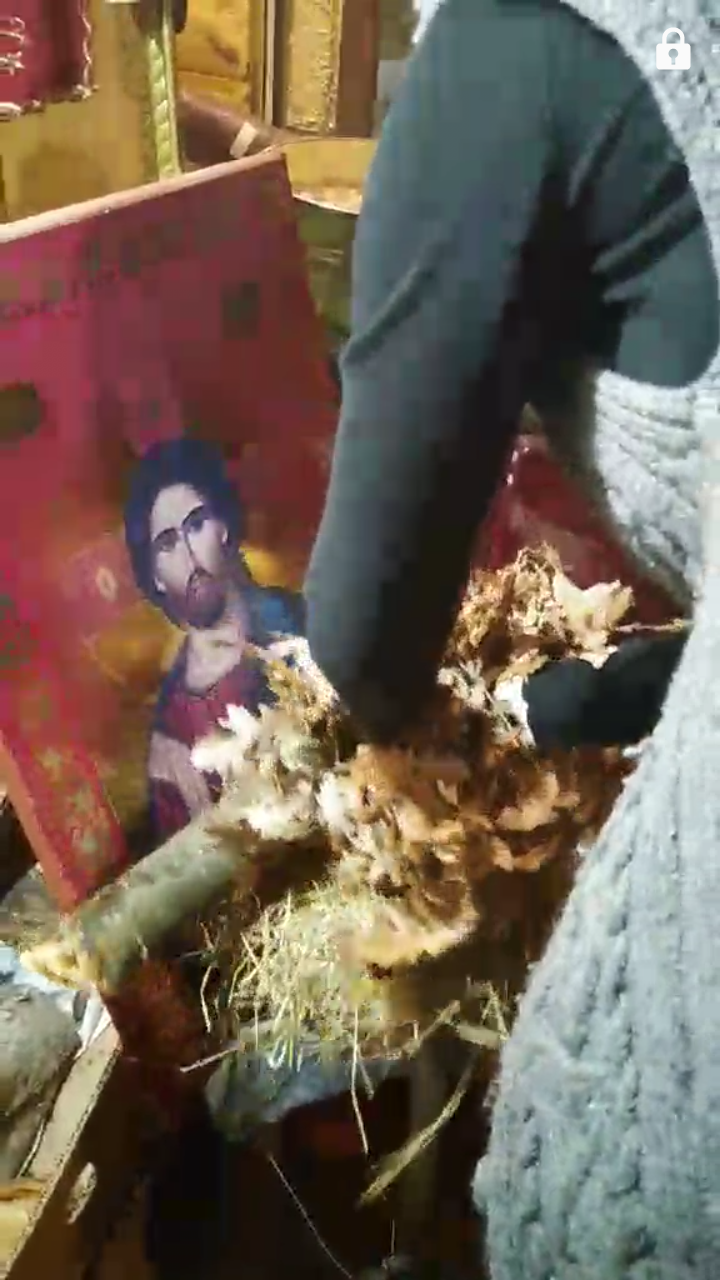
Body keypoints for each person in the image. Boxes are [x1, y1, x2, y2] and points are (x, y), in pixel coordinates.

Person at [304, 1, 720, 1276]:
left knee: (620, 1180)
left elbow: (367, 637)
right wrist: (609, 692)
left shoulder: (509, 41)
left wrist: (390, 707)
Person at [124, 438, 303, 840]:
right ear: (155, 576)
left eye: (195, 525)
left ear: (222, 527)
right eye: (167, 544)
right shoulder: (172, 741)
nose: (189, 556)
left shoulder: (300, 620)